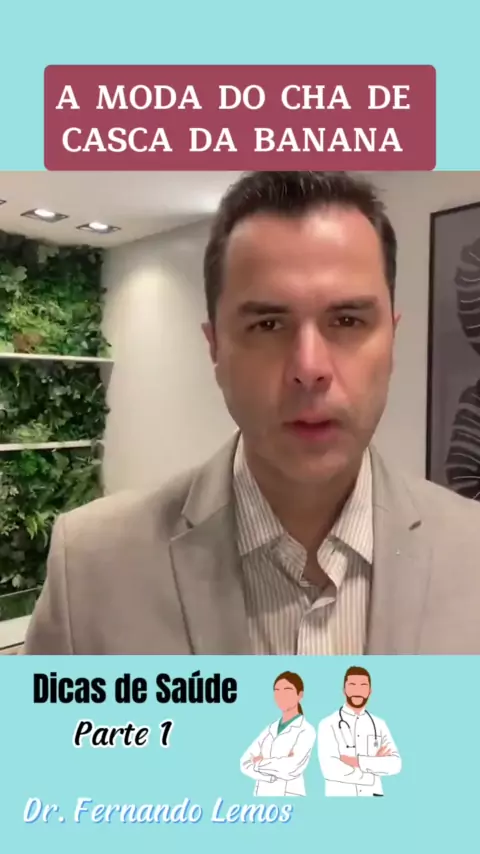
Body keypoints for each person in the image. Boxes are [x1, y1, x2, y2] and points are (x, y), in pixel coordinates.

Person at [24, 170, 480, 655]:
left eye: (347, 321)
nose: (309, 369)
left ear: (391, 340)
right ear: (215, 348)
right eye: (268, 325)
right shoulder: (91, 568)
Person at [317, 666, 401, 797]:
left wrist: (357, 761)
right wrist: (373, 768)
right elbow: (330, 769)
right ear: (344, 690)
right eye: (352, 685)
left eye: (363, 685)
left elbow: (395, 764)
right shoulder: (328, 724)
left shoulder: (379, 724)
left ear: (370, 691)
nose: (357, 691)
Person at [240, 672, 316, 796]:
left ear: (300, 695)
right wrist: (271, 773)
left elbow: (291, 768)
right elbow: (244, 763)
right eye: (277, 690)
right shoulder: (270, 729)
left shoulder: (306, 730)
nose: (281, 695)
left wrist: (259, 762)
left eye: (287, 690)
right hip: (262, 795)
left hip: (289, 795)